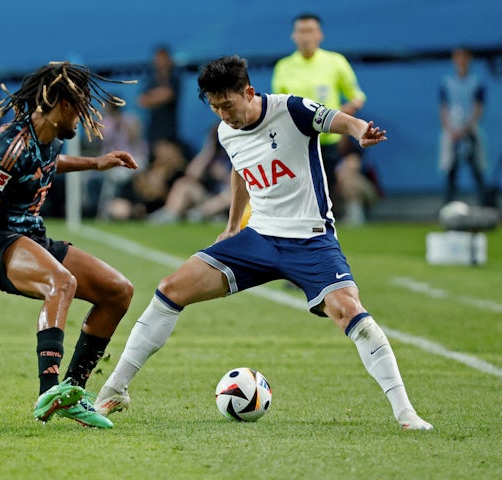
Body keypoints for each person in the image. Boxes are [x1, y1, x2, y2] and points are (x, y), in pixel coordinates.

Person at [94, 55, 433, 431]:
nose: (223, 114)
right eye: (215, 106)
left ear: (249, 92)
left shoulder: (290, 109)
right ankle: (115, 388)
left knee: (353, 315)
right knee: (170, 289)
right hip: (258, 237)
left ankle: (406, 414)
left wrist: (358, 131)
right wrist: (233, 225)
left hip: (310, 240)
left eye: (228, 105)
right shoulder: (226, 131)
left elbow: (336, 118)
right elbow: (241, 169)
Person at [0, 62, 139, 429]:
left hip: (31, 235)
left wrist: (96, 164)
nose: (87, 117)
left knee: (118, 291)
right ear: (65, 106)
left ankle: (72, 391)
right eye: (84, 107)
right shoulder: (9, 145)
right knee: (62, 282)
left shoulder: (47, 138)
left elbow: (49, 163)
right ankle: (48, 391)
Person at [271, 13, 366, 205]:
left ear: (319, 35)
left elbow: (357, 96)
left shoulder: (335, 62)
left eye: (310, 31)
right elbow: (276, 104)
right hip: (295, 140)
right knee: (296, 192)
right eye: (301, 31)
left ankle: (323, 231)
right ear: (293, 36)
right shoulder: (284, 66)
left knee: (324, 193)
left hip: (327, 140)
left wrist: (342, 115)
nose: (306, 36)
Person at [147, 123, 232, 224]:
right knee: (183, 184)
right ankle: (169, 214)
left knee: (230, 194)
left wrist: (224, 176)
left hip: (231, 199)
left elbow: (243, 183)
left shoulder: (239, 155)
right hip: (211, 196)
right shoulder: (214, 155)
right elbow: (192, 174)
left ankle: (202, 214)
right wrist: (208, 149)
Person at [438, 46, 487, 206]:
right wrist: (451, 129)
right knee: (450, 171)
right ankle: (447, 207)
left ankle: (484, 206)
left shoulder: (476, 82)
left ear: (469, 59)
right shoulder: (447, 82)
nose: (460, 61)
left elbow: (478, 108)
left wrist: (466, 129)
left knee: (477, 170)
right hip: (451, 132)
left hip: (470, 131)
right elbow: (443, 108)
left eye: (463, 57)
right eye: (457, 57)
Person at [137, 45, 181, 151]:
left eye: (163, 59)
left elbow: (167, 95)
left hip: (169, 132)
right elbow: (142, 101)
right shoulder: (150, 81)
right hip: (153, 131)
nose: (161, 62)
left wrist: (152, 96)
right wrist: (158, 95)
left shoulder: (174, 80)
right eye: (158, 59)